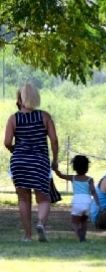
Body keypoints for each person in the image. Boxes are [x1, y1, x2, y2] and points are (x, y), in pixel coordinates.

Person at [4, 84, 59, 242]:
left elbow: (7, 142)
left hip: (19, 162)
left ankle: (27, 236)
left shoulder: (13, 119)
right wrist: (55, 160)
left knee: (23, 199)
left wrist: (15, 150)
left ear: (19, 99)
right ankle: (40, 223)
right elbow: (54, 140)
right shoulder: (44, 116)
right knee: (43, 198)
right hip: (39, 162)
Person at [54, 155, 99, 242]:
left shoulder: (73, 178)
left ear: (74, 167)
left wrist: (56, 169)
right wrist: (97, 202)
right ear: (87, 167)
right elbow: (93, 191)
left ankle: (79, 235)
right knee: (84, 221)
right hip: (87, 201)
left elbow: (60, 175)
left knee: (74, 222)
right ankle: (83, 237)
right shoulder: (90, 179)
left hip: (77, 201)